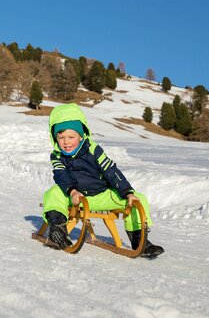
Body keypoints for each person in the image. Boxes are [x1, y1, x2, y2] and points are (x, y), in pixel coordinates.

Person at [42, 103, 164, 258]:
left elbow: (111, 171)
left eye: (71, 137)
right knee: (53, 193)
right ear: (55, 138)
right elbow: (61, 175)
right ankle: (58, 230)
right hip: (75, 198)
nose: (66, 142)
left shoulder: (93, 150)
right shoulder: (57, 156)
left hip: (102, 195)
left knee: (139, 199)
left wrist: (127, 193)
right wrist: (72, 191)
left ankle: (140, 240)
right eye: (61, 137)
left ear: (81, 135)